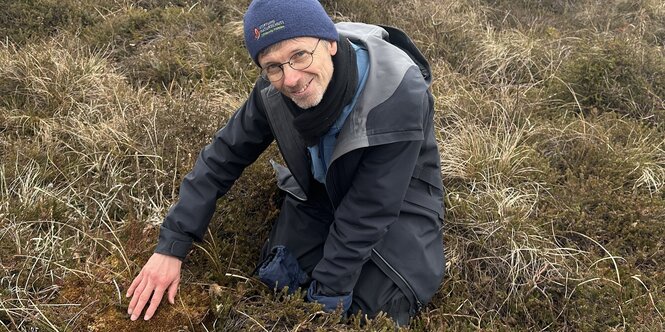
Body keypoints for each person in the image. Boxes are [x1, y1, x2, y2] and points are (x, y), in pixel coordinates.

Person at [126, 0, 445, 326]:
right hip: (324, 190)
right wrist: (172, 245)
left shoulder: (396, 93)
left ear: (330, 43)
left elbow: (370, 209)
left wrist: (326, 302)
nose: (290, 79)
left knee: (372, 311)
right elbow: (222, 156)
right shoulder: (272, 90)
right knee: (279, 275)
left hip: (401, 199)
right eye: (273, 66)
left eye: (299, 55)